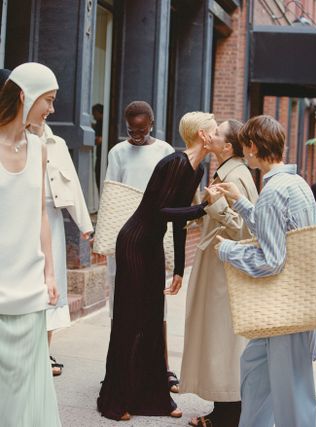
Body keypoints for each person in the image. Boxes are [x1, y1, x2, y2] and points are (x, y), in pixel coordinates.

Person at [97, 111, 218, 421]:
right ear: (202, 135)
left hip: (151, 245)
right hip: (134, 242)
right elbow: (163, 210)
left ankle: (153, 399)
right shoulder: (174, 163)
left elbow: (177, 220)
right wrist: (204, 207)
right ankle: (115, 400)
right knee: (130, 320)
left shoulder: (197, 167)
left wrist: (178, 268)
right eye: (214, 130)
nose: (218, 135)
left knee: (152, 319)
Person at [210, 115, 316, 427]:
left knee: (291, 394)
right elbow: (278, 233)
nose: (245, 153)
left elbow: (272, 260)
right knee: (255, 367)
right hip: (294, 303)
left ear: (253, 147)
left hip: (284, 309)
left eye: (246, 146)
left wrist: (227, 250)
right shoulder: (296, 183)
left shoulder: (273, 192)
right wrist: (242, 203)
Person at [180, 119, 258, 427]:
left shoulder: (235, 177)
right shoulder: (229, 171)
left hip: (224, 270)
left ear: (227, 147)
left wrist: (212, 205)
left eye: (215, 133)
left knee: (222, 341)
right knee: (217, 340)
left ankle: (228, 414)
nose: (208, 135)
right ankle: (221, 410)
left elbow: (242, 228)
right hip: (217, 266)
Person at [0, 62, 61, 426]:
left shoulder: (39, 147)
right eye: (48, 99)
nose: (52, 109)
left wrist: (50, 272)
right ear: (25, 95)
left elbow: (40, 212)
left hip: (29, 283)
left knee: (26, 382)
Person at [104, 100, 178, 390]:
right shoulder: (117, 153)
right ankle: (119, 370)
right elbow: (112, 195)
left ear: (152, 124)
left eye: (142, 129)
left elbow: (173, 195)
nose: (136, 135)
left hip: (154, 236)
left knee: (157, 308)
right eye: (131, 130)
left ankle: (163, 369)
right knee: (121, 308)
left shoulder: (165, 151)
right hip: (125, 237)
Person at [29, 122, 93, 376]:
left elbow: (73, 185)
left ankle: (43, 353)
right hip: (18, 218)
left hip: (51, 221)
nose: (51, 110)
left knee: (51, 288)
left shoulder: (56, 143)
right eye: (48, 101)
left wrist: (85, 225)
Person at [92, 103, 103, 192]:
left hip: (102, 156)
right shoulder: (98, 123)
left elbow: (100, 139)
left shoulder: (102, 123)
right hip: (100, 155)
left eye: (94, 113)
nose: (93, 116)